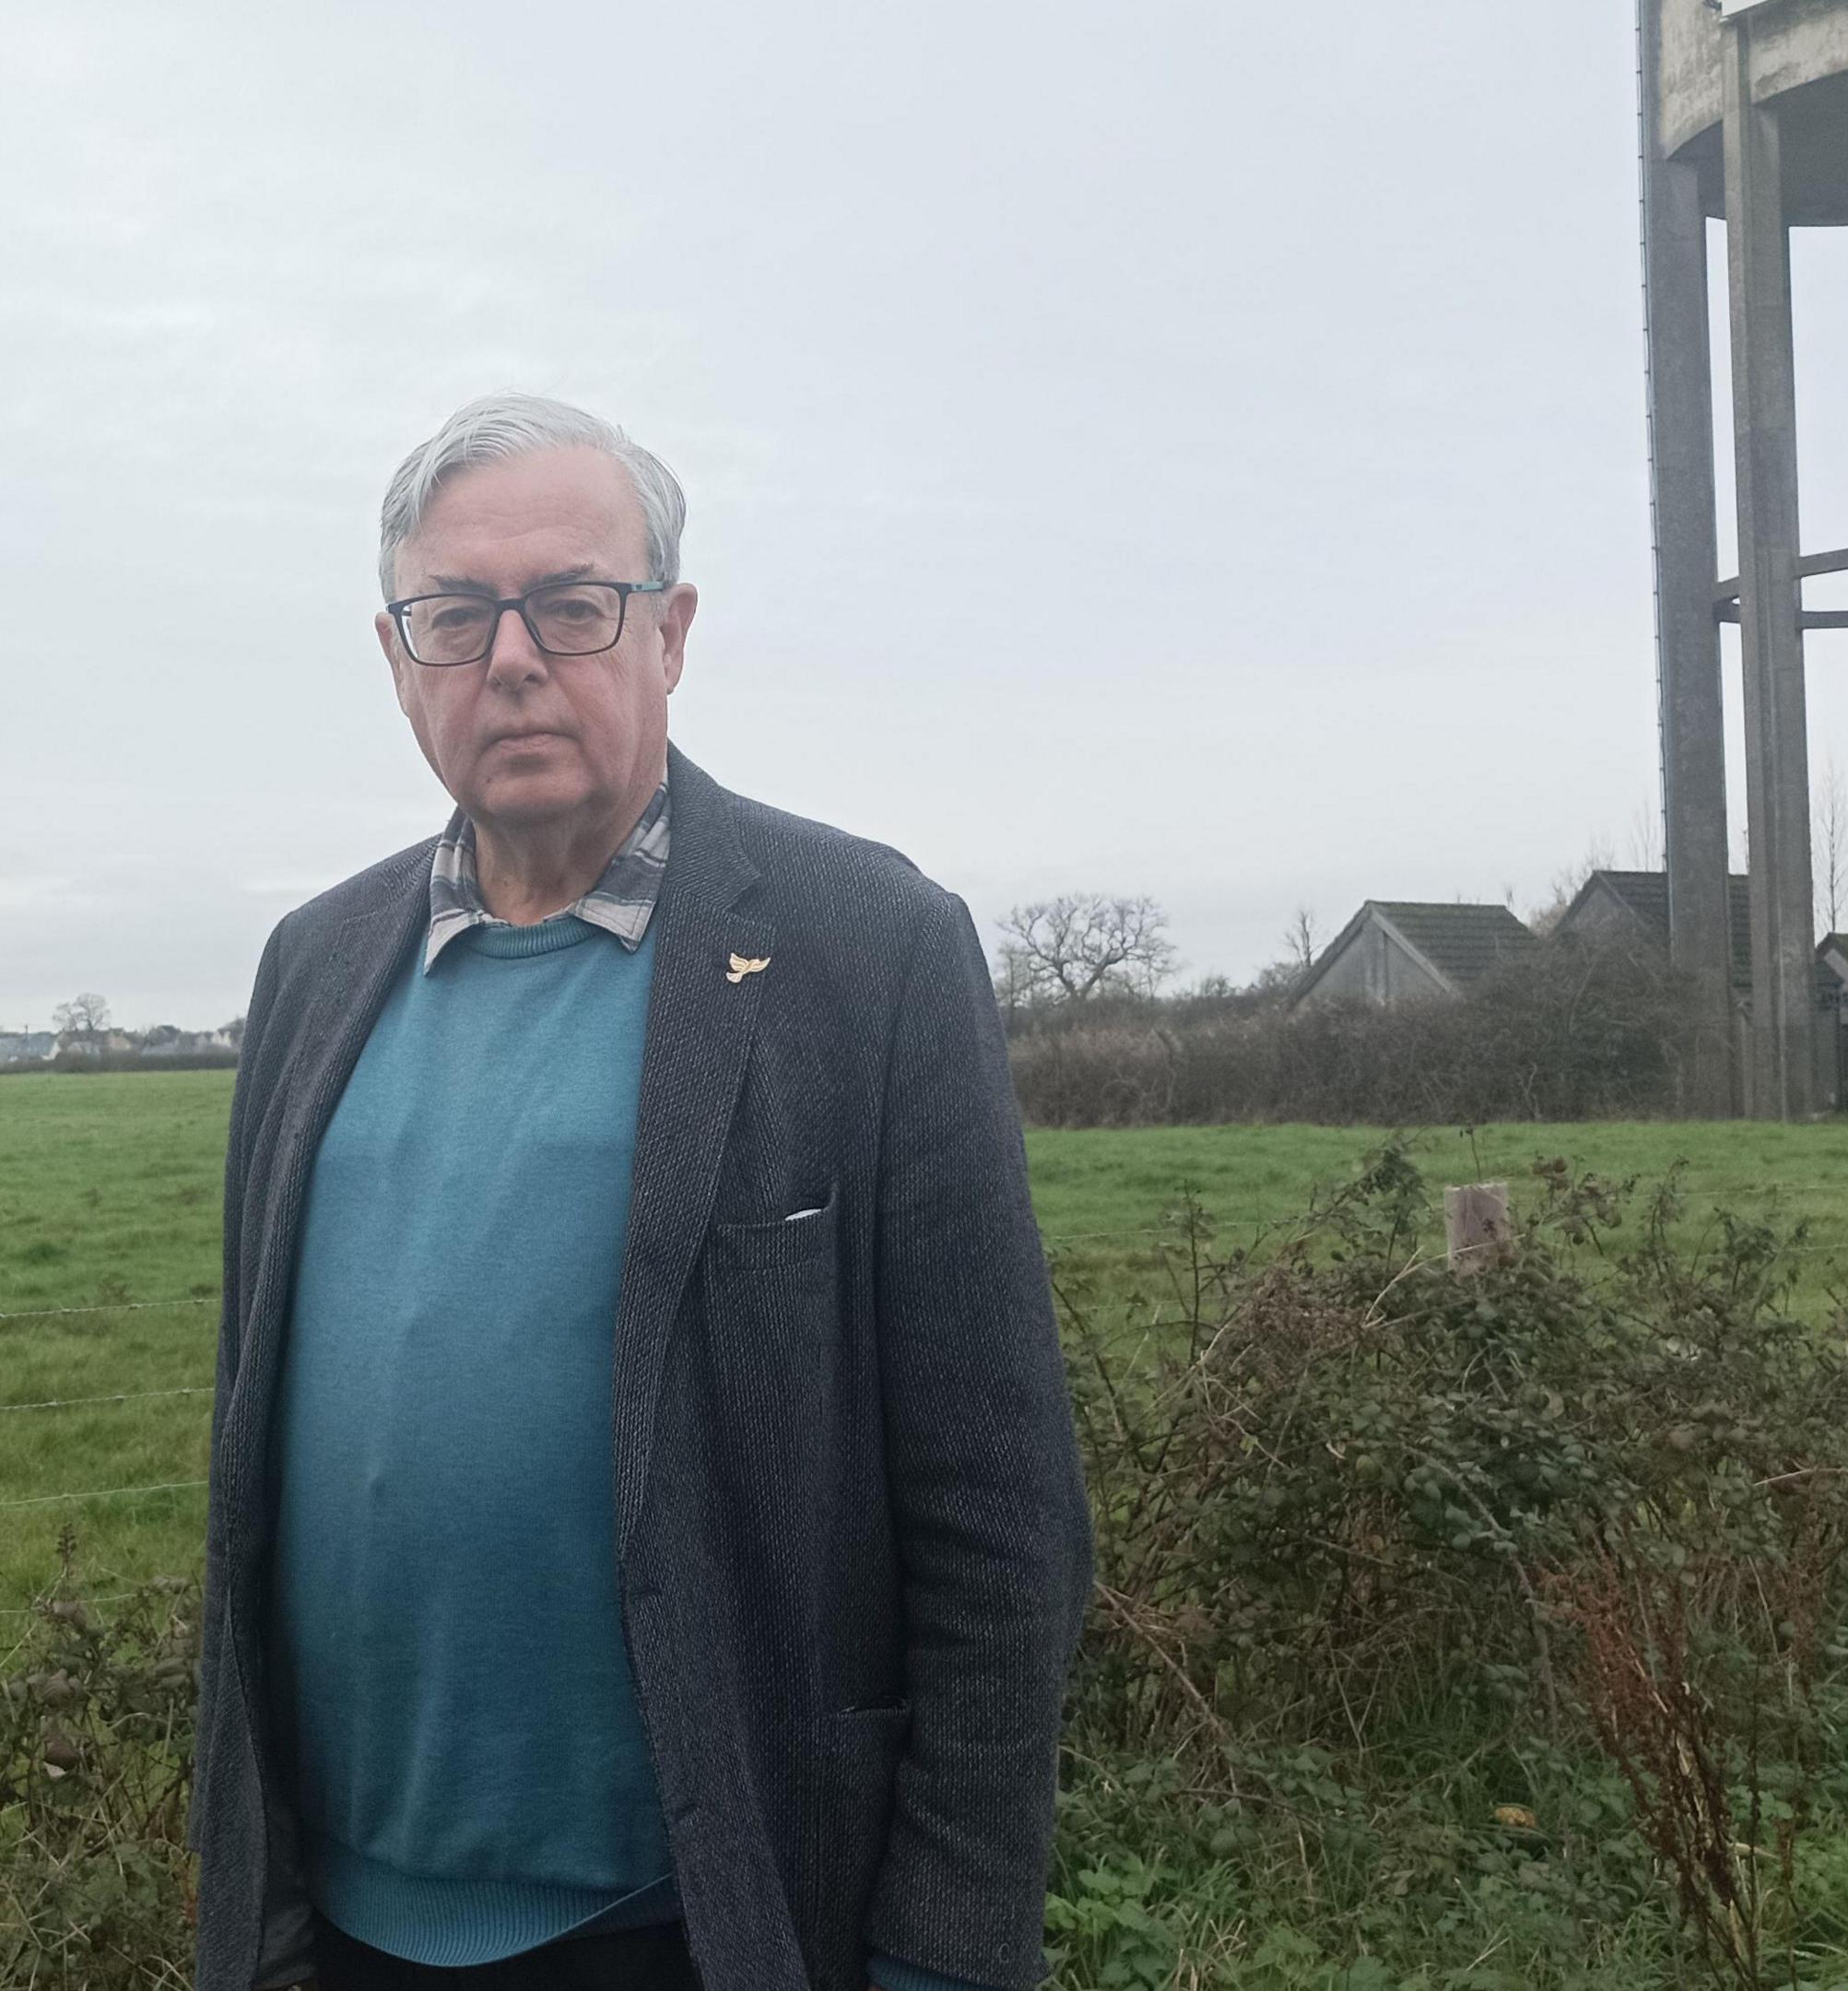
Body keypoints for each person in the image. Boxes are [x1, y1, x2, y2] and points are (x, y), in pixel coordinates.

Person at [191, 394, 1092, 1991]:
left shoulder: (863, 949)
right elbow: (245, 1455)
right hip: (328, 1921)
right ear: (397, 659)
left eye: (573, 605)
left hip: (694, 1925)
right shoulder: (312, 967)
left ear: (669, 634)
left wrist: (949, 1952)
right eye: (454, 616)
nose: (514, 657)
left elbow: (1001, 1514)